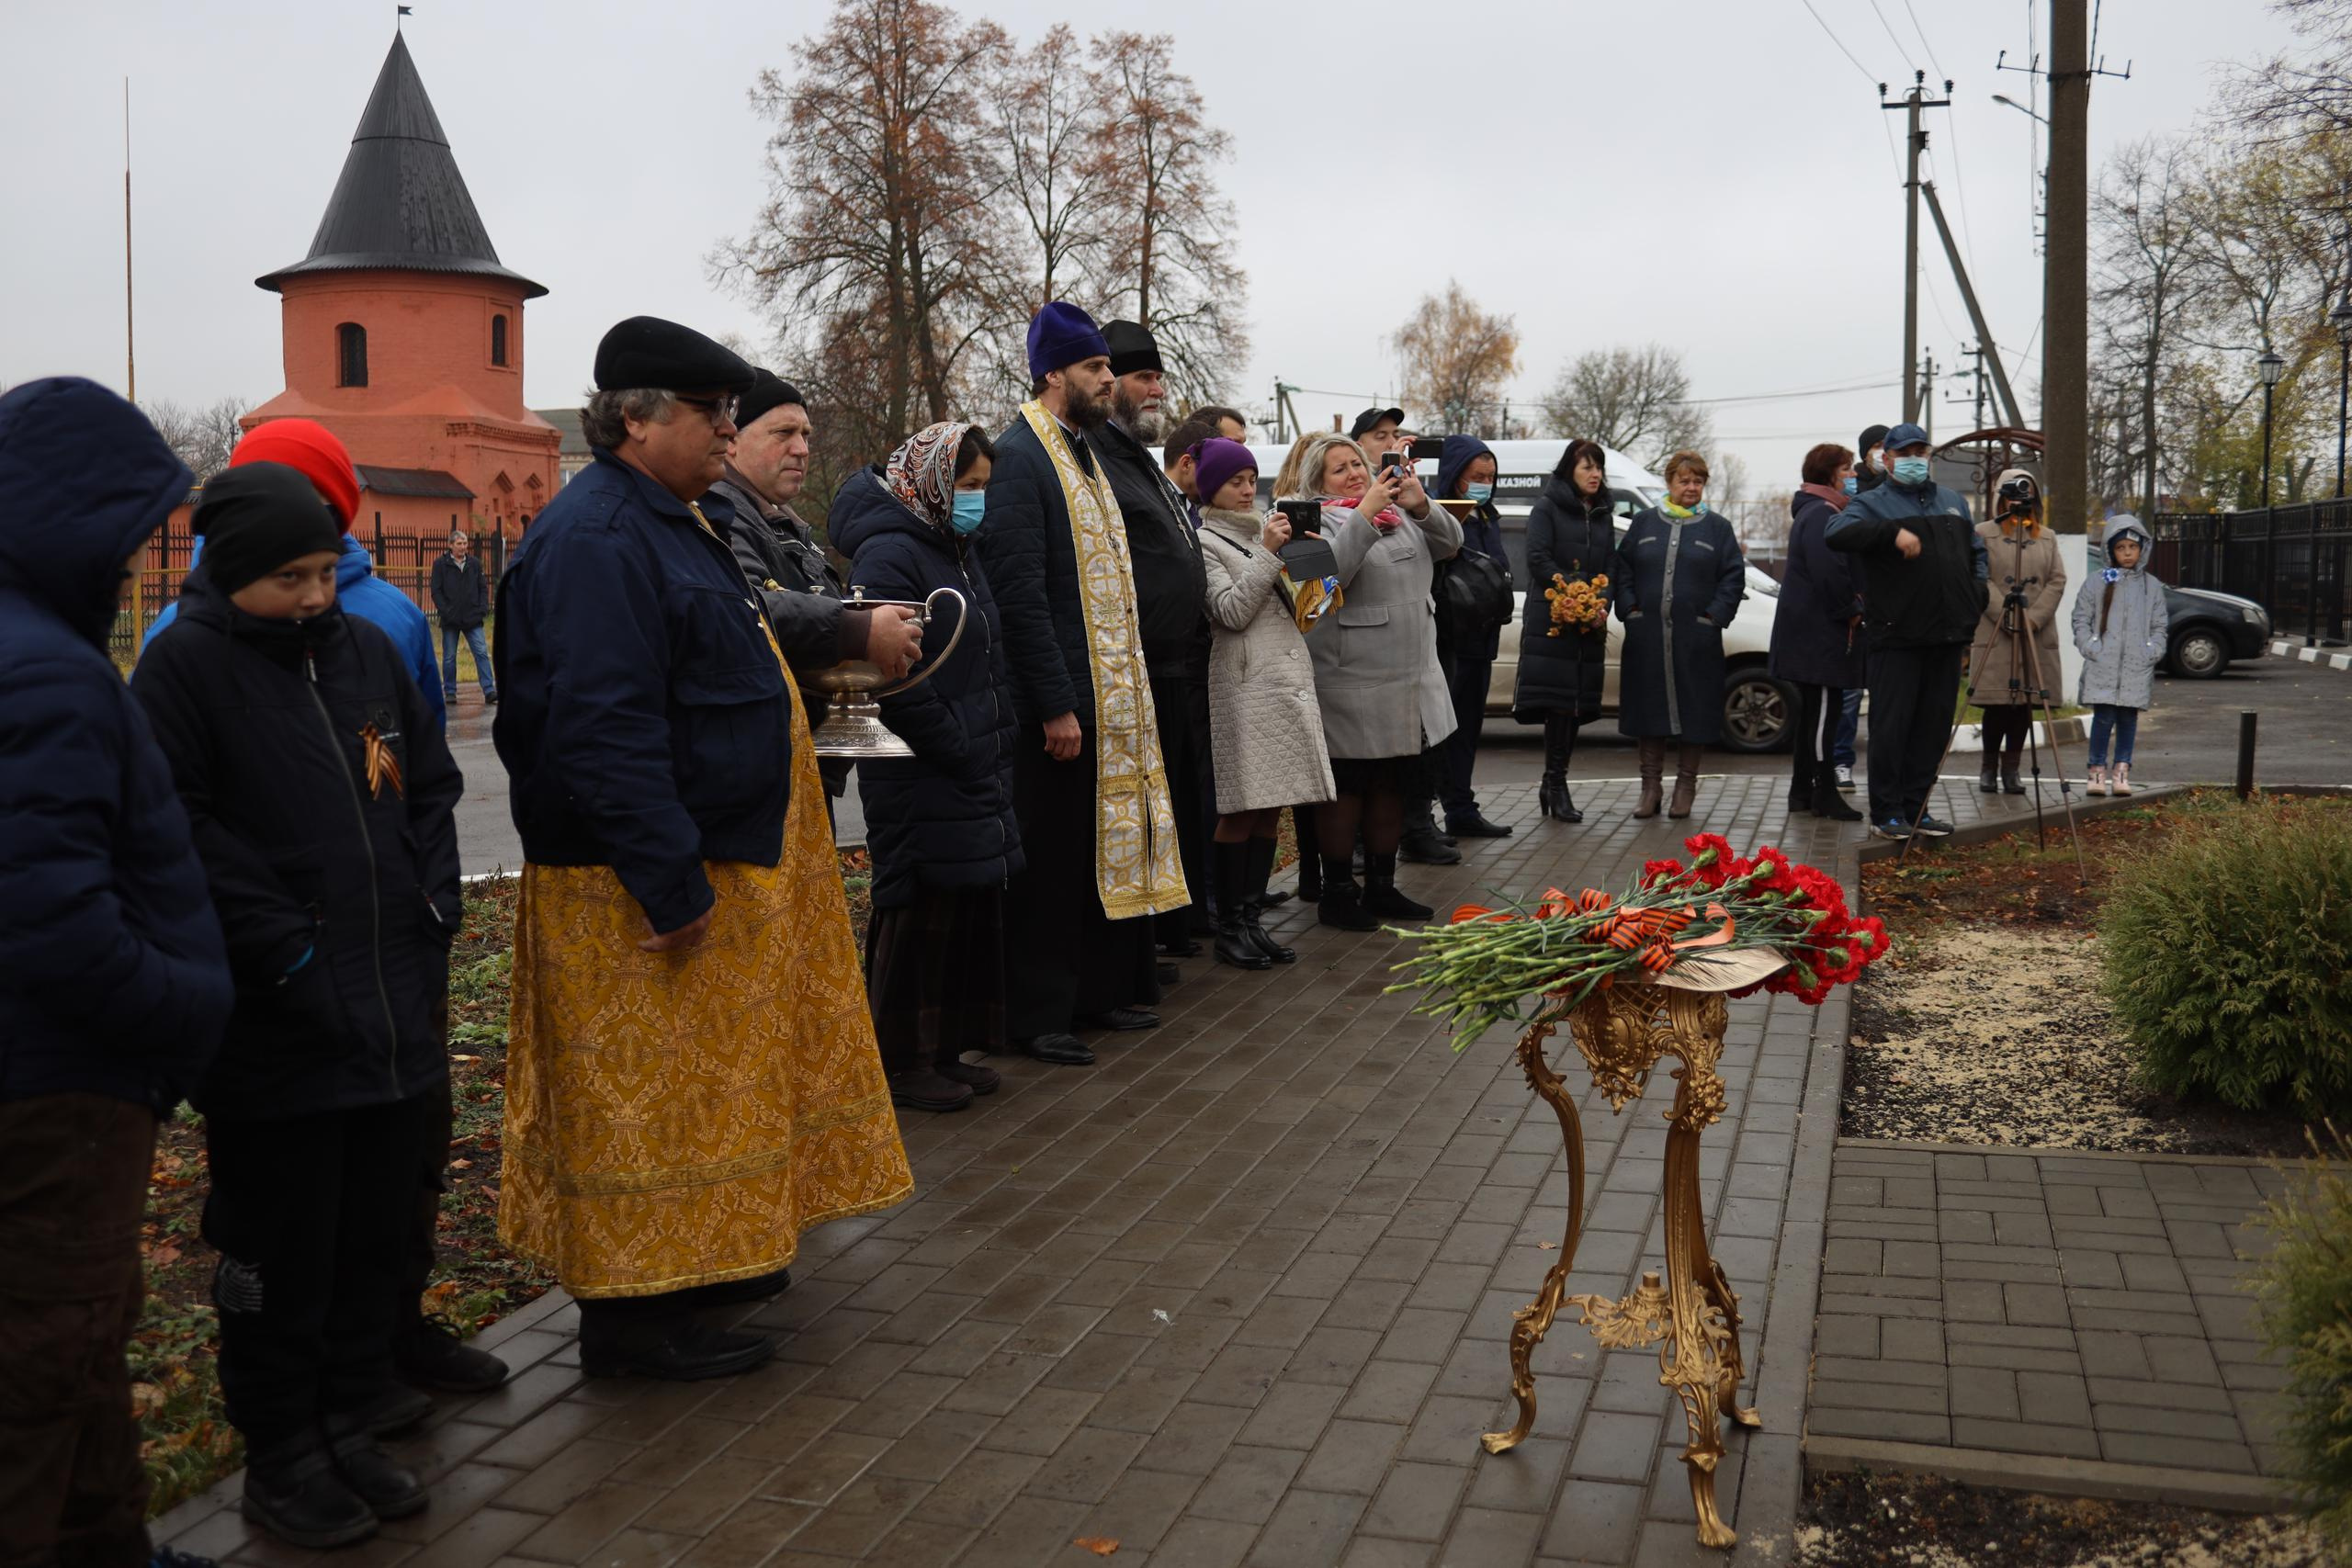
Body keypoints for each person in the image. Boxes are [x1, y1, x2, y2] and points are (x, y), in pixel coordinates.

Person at [492, 316, 911, 1379]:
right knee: (646, 1115)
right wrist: (668, 880)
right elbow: (603, 727)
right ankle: (636, 1323)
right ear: (636, 418)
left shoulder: (670, 518)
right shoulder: (598, 539)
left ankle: (706, 1280)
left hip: (709, 860)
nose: (729, 431)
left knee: (703, 1099)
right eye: (712, 412)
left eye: (732, 412)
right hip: (633, 890)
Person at [134, 462, 464, 1549]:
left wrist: (429, 910)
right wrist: (288, 949)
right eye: (290, 578)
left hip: (386, 1008)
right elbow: (176, 829)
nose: (317, 596)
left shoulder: (363, 649)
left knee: (372, 1234)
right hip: (276, 1024)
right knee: (283, 1249)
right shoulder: (184, 670)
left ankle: (349, 1415)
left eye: (326, 571)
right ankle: (281, 1453)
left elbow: (425, 786)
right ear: (229, 573)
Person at [0, 378, 233, 1568]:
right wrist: (183, 1007)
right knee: (42, 1359)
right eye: (138, 528)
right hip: (59, 1087)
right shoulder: (45, 672)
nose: (153, 557)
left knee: (79, 1341)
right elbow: (48, 915)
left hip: (52, 1074)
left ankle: (112, 1548)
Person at [975, 302, 1189, 1066]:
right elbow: (1021, 597)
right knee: (1055, 860)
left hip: (1110, 698)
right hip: (1059, 710)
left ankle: (1093, 994)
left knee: (1097, 851)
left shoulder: (1086, 451)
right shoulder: (1020, 458)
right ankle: (1038, 1012)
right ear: (1052, 373)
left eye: (1107, 367)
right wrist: (1057, 703)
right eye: (1096, 368)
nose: (1108, 379)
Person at [831, 422, 1022, 1112]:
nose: (978, 500)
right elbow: (891, 676)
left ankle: (941, 1048)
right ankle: (901, 1059)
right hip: (922, 766)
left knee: (962, 901)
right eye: (969, 486)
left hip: (966, 756)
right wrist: (957, 742)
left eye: (983, 488)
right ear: (935, 481)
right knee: (920, 905)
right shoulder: (889, 553)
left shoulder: (953, 547)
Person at [145, 417, 446, 734]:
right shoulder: (175, 636)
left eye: (309, 504)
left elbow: (426, 759)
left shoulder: (392, 620)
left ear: (336, 514)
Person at [711, 370, 923, 810]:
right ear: (731, 440)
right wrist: (857, 629)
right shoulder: (722, 514)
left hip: (794, 765)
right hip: (763, 775)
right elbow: (750, 606)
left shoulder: (780, 520)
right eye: (784, 433)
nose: (802, 449)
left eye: (806, 435)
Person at [1278, 431, 1461, 929]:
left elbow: (1450, 545)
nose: (1355, 473)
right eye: (1340, 469)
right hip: (1350, 683)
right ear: (1318, 480)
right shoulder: (1305, 519)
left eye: (1357, 463)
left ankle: (1383, 887)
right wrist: (1360, 517)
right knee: (1349, 792)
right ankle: (1338, 893)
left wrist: (1421, 504)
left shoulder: (1397, 512)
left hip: (1410, 681)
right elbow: (1319, 583)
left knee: (1391, 788)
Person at [1091, 321, 1212, 964]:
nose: (1156, 389)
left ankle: (1173, 924)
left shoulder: (1136, 456)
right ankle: (1150, 937)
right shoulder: (1100, 457)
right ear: (1110, 387)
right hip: (1134, 665)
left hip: (1175, 661)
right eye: (1143, 378)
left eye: (1159, 377)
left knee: (1176, 808)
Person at [1193, 437, 1335, 968]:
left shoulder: (1261, 536)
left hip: (1282, 683)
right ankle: (1229, 927)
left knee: (1270, 808)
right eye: (1236, 481)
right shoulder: (1206, 541)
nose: (1248, 489)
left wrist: (1315, 562)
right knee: (1241, 807)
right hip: (1245, 687)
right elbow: (1229, 612)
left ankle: (1251, 921)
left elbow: (1311, 613)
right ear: (1212, 487)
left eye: (1252, 479)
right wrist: (1272, 555)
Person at [1825, 422, 1987, 840]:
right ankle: (1887, 812)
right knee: (1892, 727)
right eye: (1905, 452)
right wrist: (1890, 533)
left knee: (1931, 729)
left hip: (1947, 635)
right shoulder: (1873, 503)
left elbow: (1975, 551)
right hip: (1896, 636)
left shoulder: (1952, 502)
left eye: (1921, 451)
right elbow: (1836, 533)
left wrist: (1977, 593)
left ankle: (1918, 808)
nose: (1914, 459)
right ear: (1888, 458)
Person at [1611, 450, 1747, 821]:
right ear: (1669, 483)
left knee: (1695, 709)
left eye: (1698, 481)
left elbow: (1733, 576)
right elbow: (1622, 570)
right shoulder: (1643, 524)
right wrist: (1630, 610)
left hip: (1696, 640)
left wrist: (1714, 616)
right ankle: (1650, 787)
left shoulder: (1717, 529)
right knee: (1647, 708)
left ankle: (1686, 784)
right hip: (1648, 637)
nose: (1691, 487)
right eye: (1684, 481)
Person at [1513, 438, 1617, 823]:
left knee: (1576, 705)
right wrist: (1573, 593)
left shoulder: (1604, 513)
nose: (1595, 474)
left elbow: (1611, 564)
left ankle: (1555, 781)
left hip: (1588, 623)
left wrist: (1600, 600)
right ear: (1569, 471)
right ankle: (1555, 786)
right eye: (1587, 467)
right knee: (1558, 703)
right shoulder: (1547, 508)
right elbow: (1538, 558)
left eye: (1599, 467)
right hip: (1554, 621)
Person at [1768, 444, 1866, 821]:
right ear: (1830, 473)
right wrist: (1852, 610)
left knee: (1812, 715)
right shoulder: (1823, 514)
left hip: (1811, 636)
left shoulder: (1813, 511)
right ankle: (1825, 793)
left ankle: (1801, 791)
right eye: (1848, 469)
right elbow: (1830, 573)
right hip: (1822, 638)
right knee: (1826, 714)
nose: (1854, 475)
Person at [1429, 435, 1515, 841]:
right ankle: (1425, 815)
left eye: (1491, 476)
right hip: (1450, 638)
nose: (1484, 483)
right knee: (1441, 732)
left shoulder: (1488, 516)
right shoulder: (1439, 514)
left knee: (1468, 729)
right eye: (1476, 476)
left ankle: (1461, 809)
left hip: (1482, 637)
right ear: (1454, 476)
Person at [1968, 468, 2067, 795]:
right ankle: (1987, 768)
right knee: (1998, 704)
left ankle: (2012, 769)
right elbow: (1979, 577)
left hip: (2034, 633)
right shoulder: (1982, 532)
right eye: (2011, 496)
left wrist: (2033, 618)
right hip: (1996, 630)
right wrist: (2004, 612)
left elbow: (2056, 580)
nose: (2018, 503)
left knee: (2024, 704)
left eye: (2025, 496)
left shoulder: (2047, 536)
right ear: (2000, 498)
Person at [2075, 517, 2167, 797]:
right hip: (2103, 664)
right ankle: (2096, 771)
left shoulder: (2151, 586)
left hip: (2136, 667)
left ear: (2142, 549)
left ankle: (2122, 771)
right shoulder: (2097, 581)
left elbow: (2160, 624)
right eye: (2120, 547)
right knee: (2103, 719)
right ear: (2110, 551)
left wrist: (2152, 650)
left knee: (2128, 719)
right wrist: (2091, 646)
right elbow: (2081, 617)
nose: (2127, 553)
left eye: (2132, 547)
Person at [1831, 421, 1894, 791]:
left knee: (1886, 693)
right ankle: (1842, 761)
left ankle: (1884, 765)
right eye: (1879, 447)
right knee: (1850, 693)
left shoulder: (1896, 489)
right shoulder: (1851, 488)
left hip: (1887, 603)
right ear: (1868, 449)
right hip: (1858, 603)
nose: (1884, 454)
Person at [429, 529, 494, 705]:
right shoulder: (440, 564)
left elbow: (483, 588)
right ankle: (450, 691)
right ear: (450, 545)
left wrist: (482, 609)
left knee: (481, 652)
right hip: (451, 619)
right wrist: (446, 611)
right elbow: (436, 590)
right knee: (449, 656)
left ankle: (489, 690)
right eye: (459, 543)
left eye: (465, 543)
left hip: (473, 618)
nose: (463, 547)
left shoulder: (474, 564)